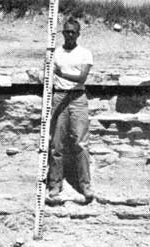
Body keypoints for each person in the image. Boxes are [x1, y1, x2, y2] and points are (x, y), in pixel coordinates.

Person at [48, 17, 94, 203]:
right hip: (59, 96)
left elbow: (82, 78)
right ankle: (55, 183)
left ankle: (85, 185)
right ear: (63, 32)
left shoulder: (85, 53)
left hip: (77, 98)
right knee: (56, 143)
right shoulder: (55, 53)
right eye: (66, 31)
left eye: (72, 32)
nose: (69, 35)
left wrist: (61, 74)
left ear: (78, 34)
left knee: (80, 143)